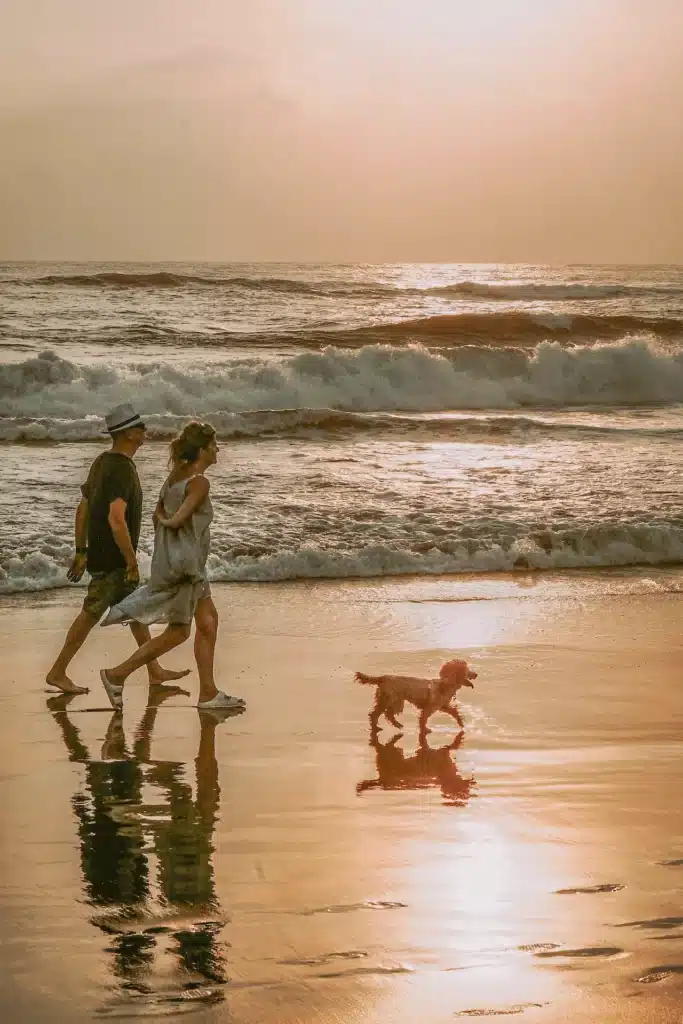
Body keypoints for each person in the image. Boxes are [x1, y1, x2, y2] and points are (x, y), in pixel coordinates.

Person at [99, 421, 245, 713]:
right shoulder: (199, 482)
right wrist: (170, 523)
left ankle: (208, 693)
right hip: (186, 566)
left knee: (208, 621)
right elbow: (176, 518)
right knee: (179, 632)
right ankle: (117, 674)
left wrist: (165, 523)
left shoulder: (173, 478)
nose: (218, 450)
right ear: (203, 450)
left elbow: (157, 516)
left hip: (182, 563)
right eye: (214, 445)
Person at [46, 404, 189, 695]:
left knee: (136, 610)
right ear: (127, 435)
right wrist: (130, 561)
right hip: (113, 561)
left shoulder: (102, 462)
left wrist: (81, 552)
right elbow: (116, 518)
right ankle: (57, 671)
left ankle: (155, 669)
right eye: (140, 428)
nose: (144, 432)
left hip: (100, 555)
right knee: (89, 614)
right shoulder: (122, 469)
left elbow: (83, 508)